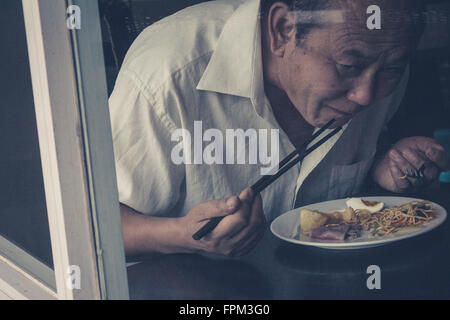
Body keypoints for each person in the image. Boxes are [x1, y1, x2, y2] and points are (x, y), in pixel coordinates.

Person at [109, 0, 450, 257]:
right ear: (283, 30)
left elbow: (362, 172)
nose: (366, 96)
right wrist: (181, 236)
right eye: (349, 65)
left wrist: (385, 169)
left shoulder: (382, 69)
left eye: (391, 68)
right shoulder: (167, 74)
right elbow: (96, 227)